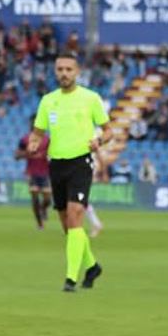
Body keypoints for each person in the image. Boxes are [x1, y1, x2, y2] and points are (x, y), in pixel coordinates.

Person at [28, 53, 111, 292]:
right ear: (55, 72)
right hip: (57, 165)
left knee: (76, 216)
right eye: (60, 69)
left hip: (81, 162)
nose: (64, 73)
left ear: (77, 72)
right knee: (68, 225)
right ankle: (92, 266)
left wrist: (99, 141)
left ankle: (70, 279)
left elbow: (108, 131)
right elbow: (38, 132)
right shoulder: (48, 101)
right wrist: (34, 143)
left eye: (68, 69)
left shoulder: (90, 98)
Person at [15, 116, 51, 230]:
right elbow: (16, 156)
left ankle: (43, 208)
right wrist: (28, 153)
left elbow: (53, 154)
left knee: (47, 199)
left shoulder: (47, 140)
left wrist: (47, 155)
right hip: (31, 172)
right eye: (33, 123)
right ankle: (40, 223)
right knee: (35, 196)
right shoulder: (25, 139)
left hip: (45, 172)